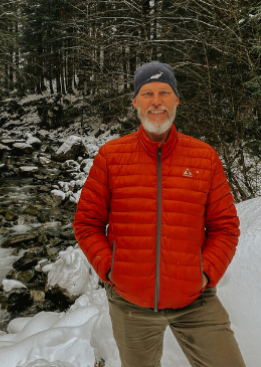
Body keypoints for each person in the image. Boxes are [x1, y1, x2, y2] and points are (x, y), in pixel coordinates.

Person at [73, 61, 246, 367]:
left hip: (196, 300)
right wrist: (112, 270)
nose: (156, 101)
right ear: (135, 103)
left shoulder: (204, 157)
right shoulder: (111, 157)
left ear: (176, 100)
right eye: (148, 93)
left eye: (164, 92)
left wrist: (204, 274)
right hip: (131, 305)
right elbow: (87, 223)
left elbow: (225, 228)